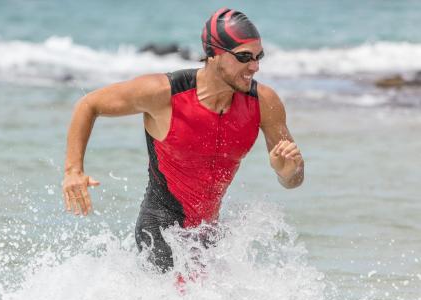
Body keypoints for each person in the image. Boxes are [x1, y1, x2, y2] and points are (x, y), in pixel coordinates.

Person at [62, 7, 304, 273]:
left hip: (209, 236)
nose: (255, 66)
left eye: (259, 56)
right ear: (214, 54)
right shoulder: (164, 93)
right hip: (161, 229)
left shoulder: (264, 103)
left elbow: (294, 180)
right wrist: (73, 170)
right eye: (244, 57)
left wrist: (287, 172)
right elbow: (89, 104)